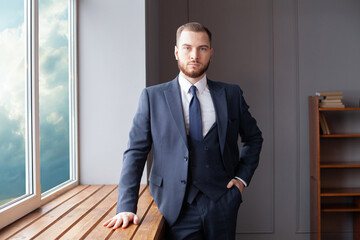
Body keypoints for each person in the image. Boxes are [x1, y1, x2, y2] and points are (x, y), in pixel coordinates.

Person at [103, 22, 263, 239]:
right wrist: (125, 206)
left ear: (211, 53)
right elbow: (135, 152)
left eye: (202, 48)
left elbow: (253, 138)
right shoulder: (153, 97)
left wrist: (241, 180)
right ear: (176, 52)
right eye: (187, 48)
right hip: (174, 208)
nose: (194, 55)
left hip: (223, 203)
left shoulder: (231, 94)